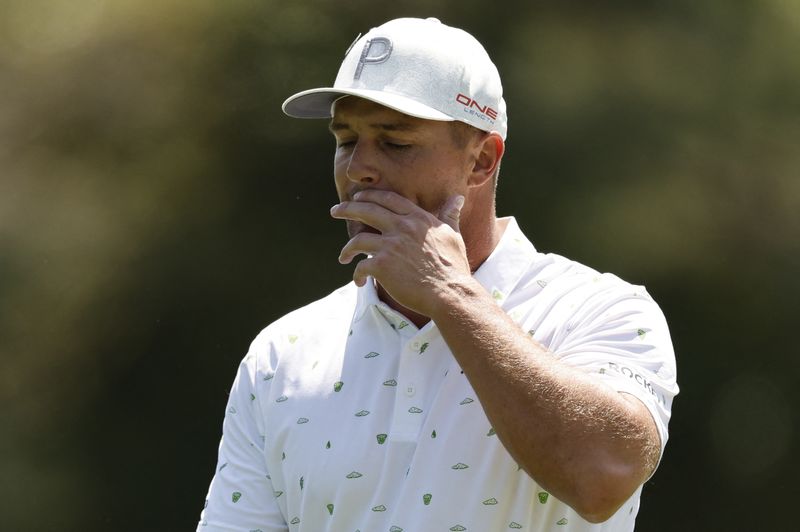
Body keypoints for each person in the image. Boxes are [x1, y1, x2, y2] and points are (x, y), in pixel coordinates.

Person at [197, 17, 678, 532]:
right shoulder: (281, 354)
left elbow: (602, 478)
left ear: (482, 161)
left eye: (395, 142)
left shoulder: (601, 310)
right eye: (345, 140)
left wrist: (450, 293)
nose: (358, 167)